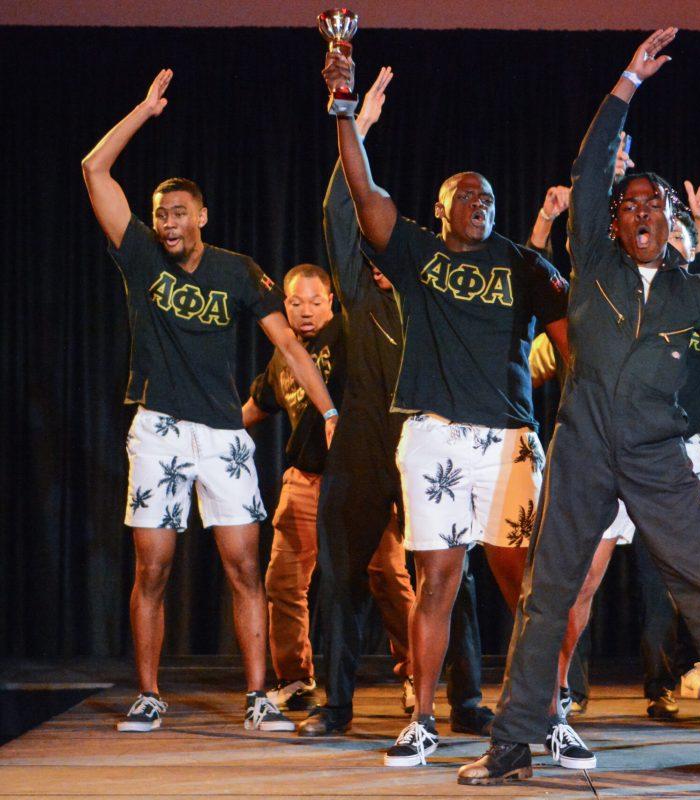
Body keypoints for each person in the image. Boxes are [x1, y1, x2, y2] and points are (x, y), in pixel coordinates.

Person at [458, 30, 700, 792]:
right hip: (585, 449)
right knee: (546, 596)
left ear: (672, 220)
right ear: (613, 223)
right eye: (630, 205)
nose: (642, 212)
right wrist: (626, 83)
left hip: (660, 458)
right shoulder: (591, 270)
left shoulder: (695, 294)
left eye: (655, 203)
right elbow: (592, 167)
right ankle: (513, 744)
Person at [321, 53, 571, 767]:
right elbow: (362, 186)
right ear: (439, 208)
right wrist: (344, 106)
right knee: (437, 577)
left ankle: (548, 713)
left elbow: (570, 347)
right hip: (432, 437)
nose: (480, 201)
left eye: (488, 195)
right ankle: (422, 718)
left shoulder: (524, 264)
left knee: (528, 585)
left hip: (509, 441)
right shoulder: (414, 253)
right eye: (466, 193)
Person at [82, 70, 337, 733]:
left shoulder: (235, 270)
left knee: (245, 566)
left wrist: (331, 412)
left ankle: (259, 698)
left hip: (222, 433)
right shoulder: (140, 256)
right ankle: (149, 694)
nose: (167, 222)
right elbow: (93, 167)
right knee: (153, 566)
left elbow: (290, 345)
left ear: (201, 217)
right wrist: (142, 111)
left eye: (177, 212)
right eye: (160, 212)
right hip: (159, 428)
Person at [300, 68, 497, 740]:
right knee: (341, 579)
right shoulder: (356, 289)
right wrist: (359, 123)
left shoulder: (439, 288)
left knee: (453, 579)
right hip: (361, 443)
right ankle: (336, 704)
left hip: (431, 440)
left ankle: (466, 699)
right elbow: (340, 212)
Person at [241, 263, 416, 716]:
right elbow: (259, 404)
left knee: (388, 578)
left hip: (359, 480)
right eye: (295, 303)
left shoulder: (352, 335)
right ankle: (296, 678)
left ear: (332, 303)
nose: (305, 312)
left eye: (315, 302)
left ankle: (418, 672)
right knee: (283, 580)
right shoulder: (284, 354)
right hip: (305, 479)